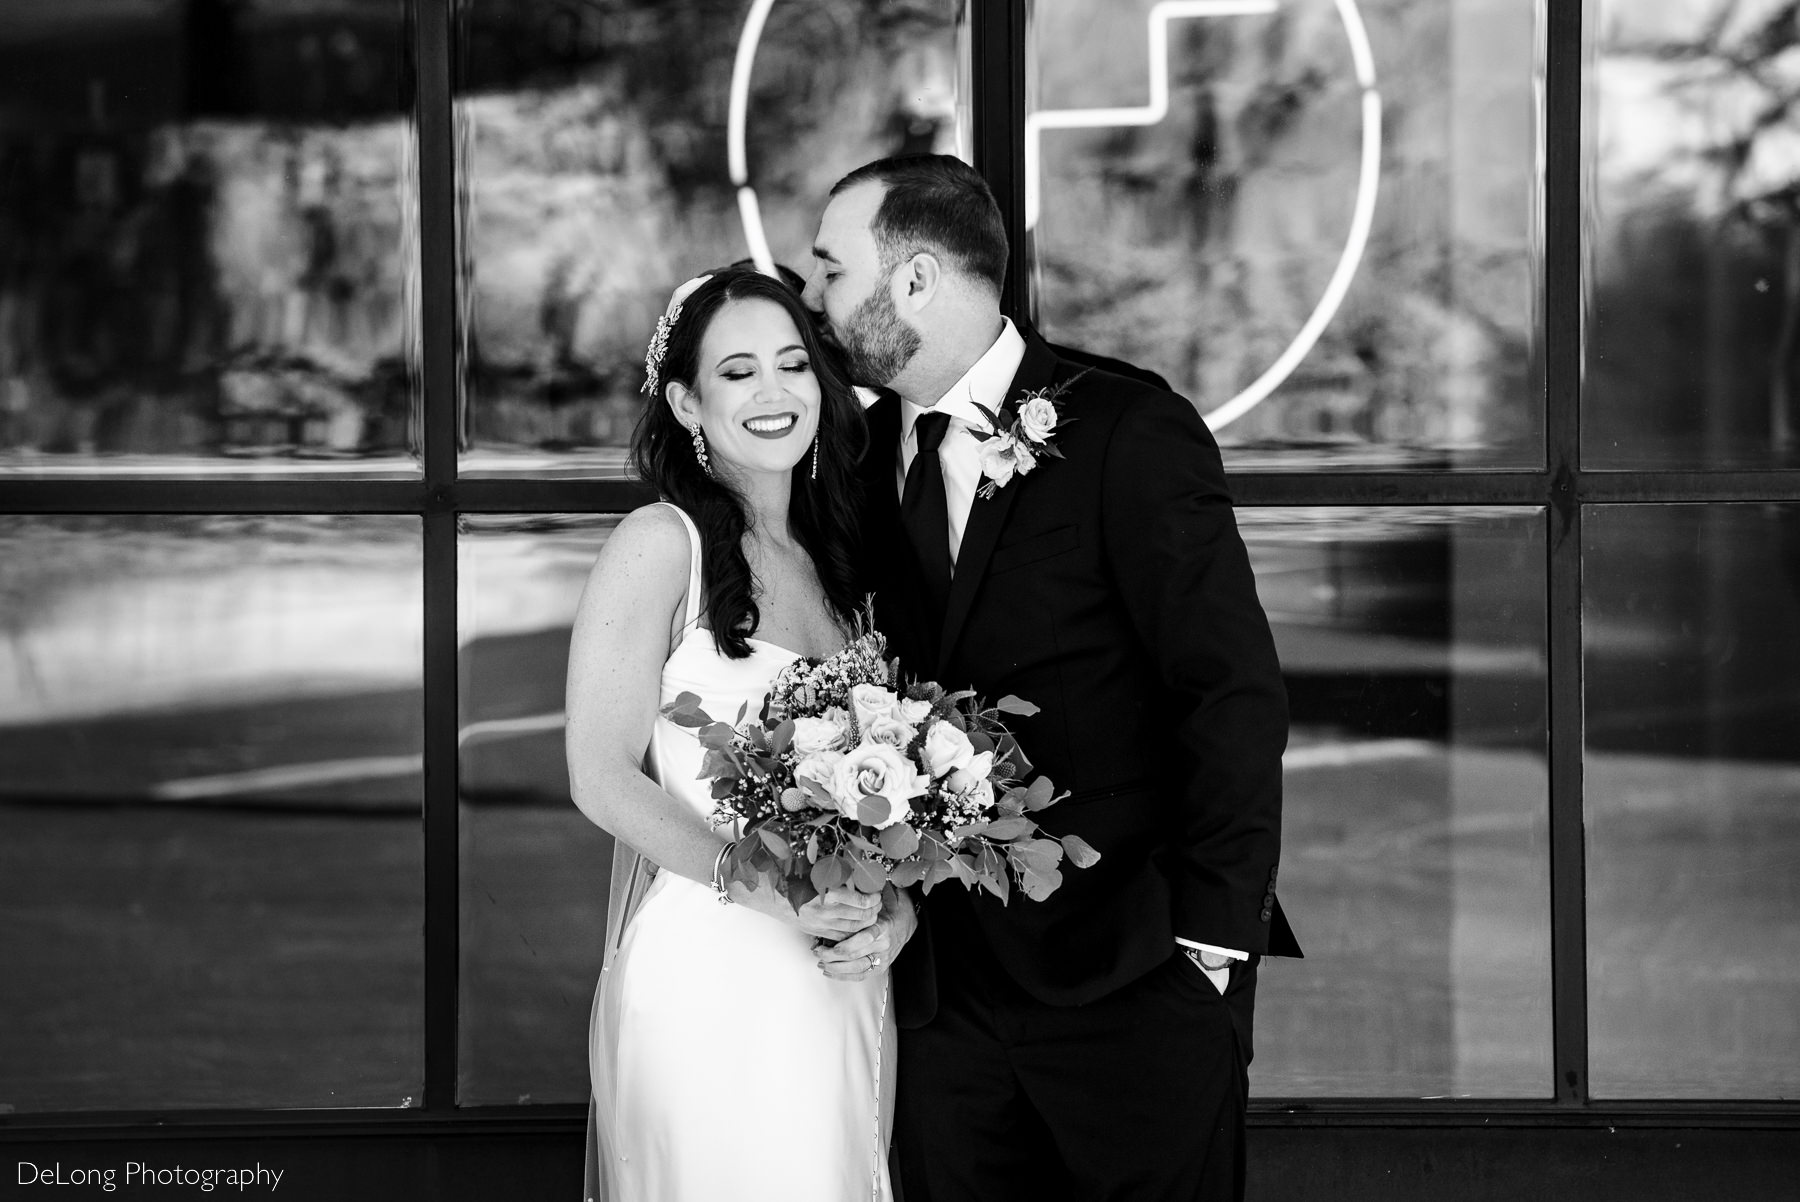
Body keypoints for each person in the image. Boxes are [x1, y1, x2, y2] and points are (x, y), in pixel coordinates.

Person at [802, 155, 1301, 1200]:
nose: (813, 303)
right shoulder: (847, 469)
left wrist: (1210, 948)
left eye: (829, 273)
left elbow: (1231, 692)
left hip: (1134, 977)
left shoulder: (1127, 430)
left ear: (917, 280)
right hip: (941, 1006)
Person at [564, 265, 908, 1202]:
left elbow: (878, 800)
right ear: (685, 401)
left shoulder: (841, 563)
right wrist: (762, 887)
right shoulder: (659, 543)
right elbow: (599, 774)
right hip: (712, 971)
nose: (773, 392)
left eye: (794, 365)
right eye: (738, 371)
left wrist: (895, 910)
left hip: (835, 979)